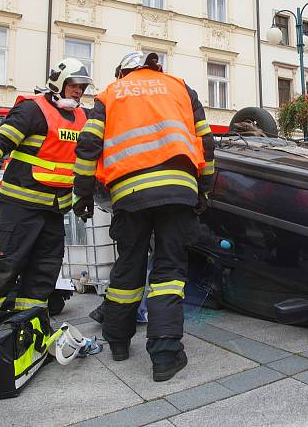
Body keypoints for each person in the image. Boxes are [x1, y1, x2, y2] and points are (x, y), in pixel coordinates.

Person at [72, 51, 215, 382]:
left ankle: (118, 342)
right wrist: (204, 189)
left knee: (129, 266)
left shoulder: (110, 93)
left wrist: (81, 194)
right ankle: (165, 356)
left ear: (123, 71)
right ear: (155, 68)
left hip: (129, 194)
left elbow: (88, 146)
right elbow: (205, 143)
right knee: (169, 269)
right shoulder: (181, 88)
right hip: (178, 189)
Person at [0, 58, 91, 314]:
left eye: (82, 87)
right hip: (21, 207)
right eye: (74, 85)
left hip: (54, 211)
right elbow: (4, 137)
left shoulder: (83, 117)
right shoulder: (33, 109)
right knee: (4, 268)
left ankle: (26, 325)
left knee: (44, 272)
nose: (78, 91)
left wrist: (84, 196)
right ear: (59, 82)